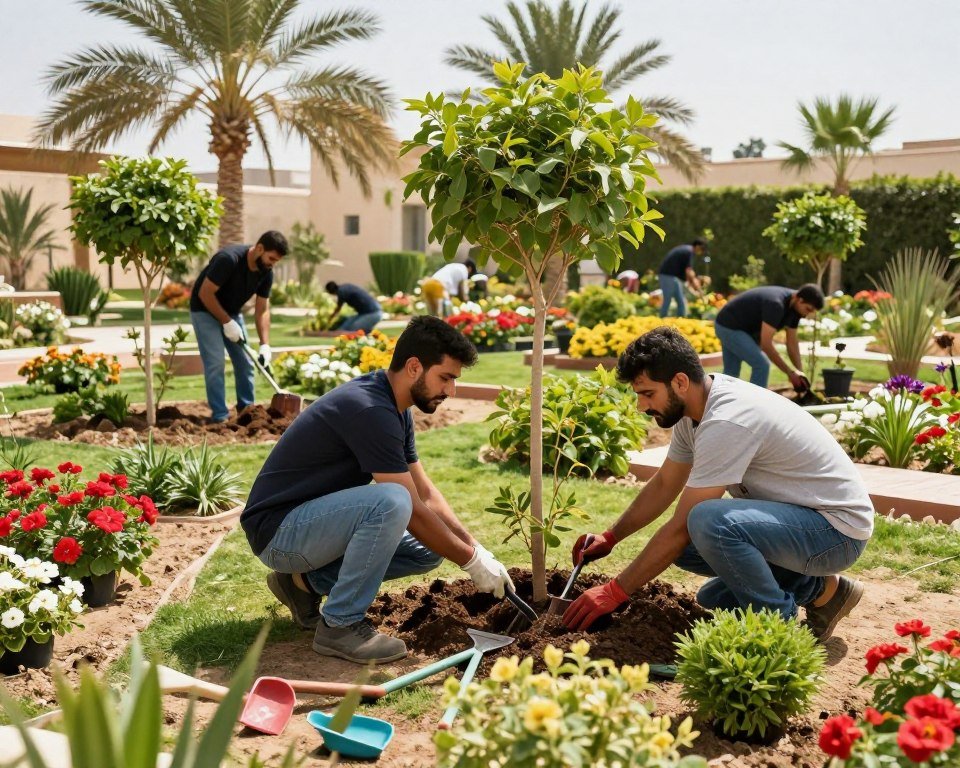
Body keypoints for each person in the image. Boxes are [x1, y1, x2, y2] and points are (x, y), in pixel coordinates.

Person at [563, 327, 873, 643]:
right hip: (803, 523)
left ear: (680, 382)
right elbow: (665, 484)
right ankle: (826, 592)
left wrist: (615, 591)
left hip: (836, 532)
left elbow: (683, 525)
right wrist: (612, 536)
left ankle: (776, 628)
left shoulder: (727, 419)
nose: (642, 406)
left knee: (704, 522)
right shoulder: (693, 410)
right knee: (708, 588)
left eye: (647, 393)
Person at [241, 316, 513, 664]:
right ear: (415, 366)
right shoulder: (369, 409)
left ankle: (299, 586)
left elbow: (426, 493)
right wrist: (470, 562)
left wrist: (475, 549)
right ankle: (340, 626)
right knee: (392, 502)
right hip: (278, 532)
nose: (451, 390)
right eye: (446, 378)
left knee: (428, 549)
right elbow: (411, 506)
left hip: (309, 527)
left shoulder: (396, 410)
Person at [189, 231, 287, 424]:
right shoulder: (229, 259)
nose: (272, 264)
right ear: (259, 249)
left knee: (245, 362)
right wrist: (226, 322)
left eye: (276, 261)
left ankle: (247, 411)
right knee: (216, 362)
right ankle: (220, 416)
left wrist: (264, 344)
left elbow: (262, 310)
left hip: (232, 312)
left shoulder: (266, 271)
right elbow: (205, 293)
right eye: (271, 258)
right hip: (204, 309)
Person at [714, 284, 824, 389]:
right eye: (808, 309)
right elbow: (766, 344)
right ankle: (756, 405)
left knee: (730, 374)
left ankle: (717, 404)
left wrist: (800, 373)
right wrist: (789, 372)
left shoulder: (795, 309)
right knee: (762, 365)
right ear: (799, 299)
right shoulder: (776, 304)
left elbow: (792, 343)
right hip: (728, 326)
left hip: (738, 328)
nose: (806, 314)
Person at [657, 239, 706, 317]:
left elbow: (687, 271)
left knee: (681, 300)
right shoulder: (689, 251)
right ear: (697, 246)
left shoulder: (686, 250)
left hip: (674, 277)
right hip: (667, 275)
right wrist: (697, 287)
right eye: (701, 249)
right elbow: (689, 271)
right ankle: (661, 320)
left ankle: (681, 319)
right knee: (667, 299)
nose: (701, 252)